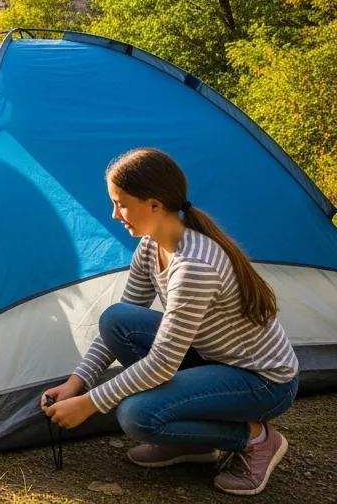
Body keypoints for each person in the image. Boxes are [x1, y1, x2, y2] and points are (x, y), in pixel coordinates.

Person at [41, 147, 299, 496]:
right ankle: (194, 443)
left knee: (137, 416)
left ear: (154, 205)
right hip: (212, 359)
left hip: (262, 381)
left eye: (122, 203)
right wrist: (76, 383)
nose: (115, 214)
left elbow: (162, 364)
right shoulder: (151, 245)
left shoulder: (194, 267)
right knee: (117, 319)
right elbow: (126, 316)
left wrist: (88, 404)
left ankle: (258, 439)